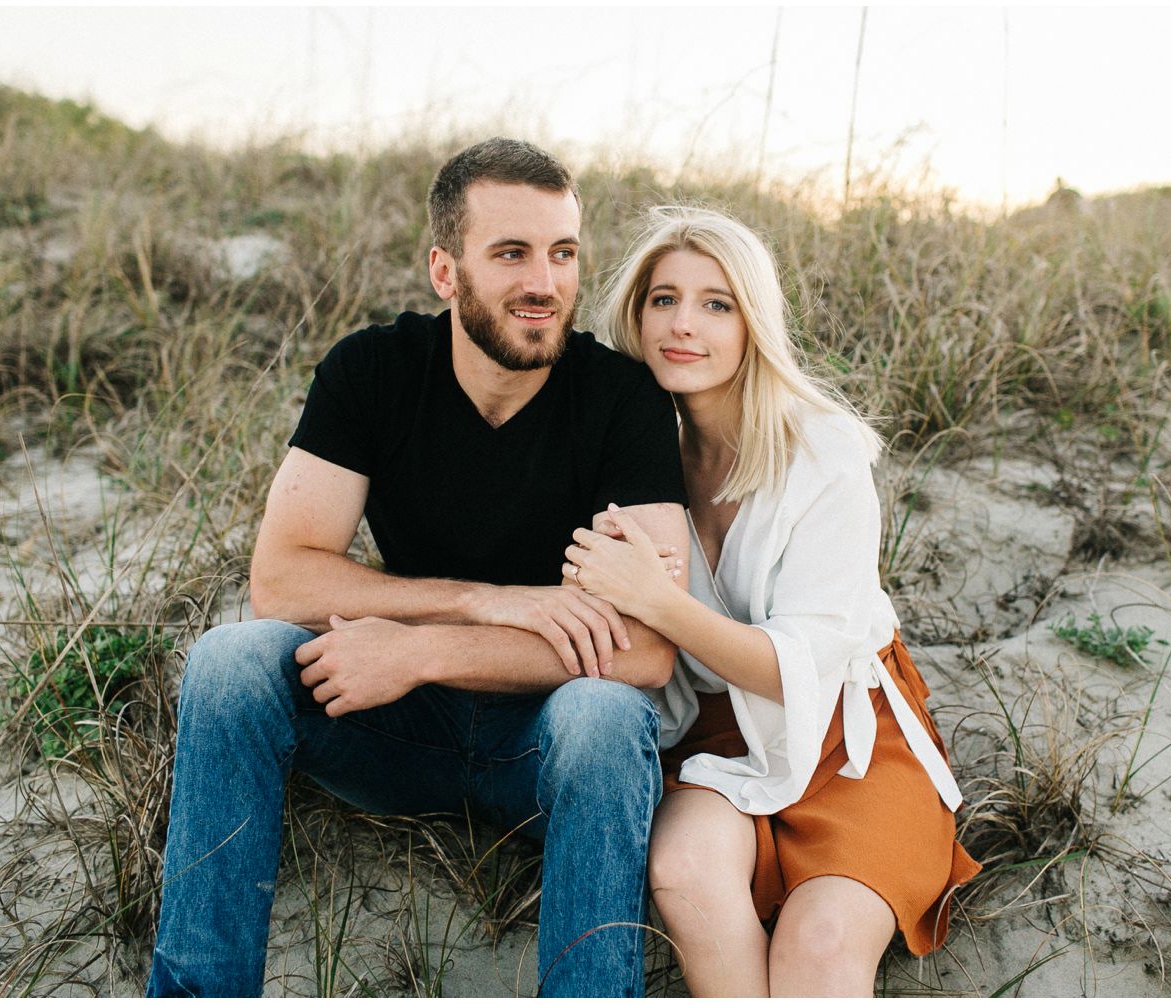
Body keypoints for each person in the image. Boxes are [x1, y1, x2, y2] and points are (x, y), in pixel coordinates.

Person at [146, 139, 692, 998]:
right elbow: (282, 581)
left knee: (602, 716)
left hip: (540, 746)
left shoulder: (622, 400)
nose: (543, 283)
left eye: (562, 253)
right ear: (446, 270)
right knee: (227, 663)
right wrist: (490, 606)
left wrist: (423, 649)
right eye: (510, 253)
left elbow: (646, 653)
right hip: (386, 721)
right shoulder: (373, 372)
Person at [561, 207, 981, 997]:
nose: (684, 325)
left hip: (846, 732)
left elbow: (800, 672)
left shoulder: (822, 450)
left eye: (717, 304)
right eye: (664, 299)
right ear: (635, 314)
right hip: (711, 737)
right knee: (684, 870)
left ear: (754, 323)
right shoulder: (621, 453)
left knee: (819, 946)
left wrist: (658, 598)